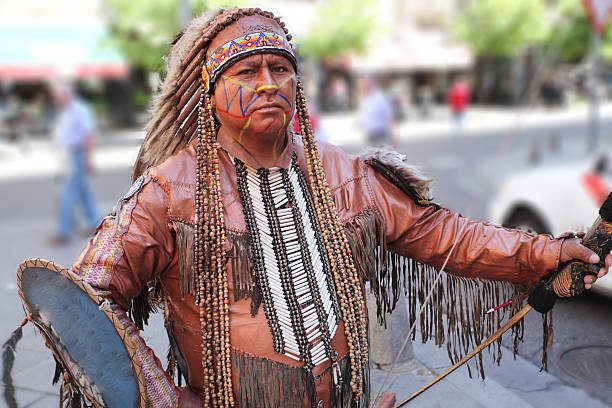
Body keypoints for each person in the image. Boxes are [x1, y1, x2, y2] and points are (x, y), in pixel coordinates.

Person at [34, 8, 609, 408]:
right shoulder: (167, 190)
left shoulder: (342, 172)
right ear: (208, 92)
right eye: (246, 71)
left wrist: (548, 253)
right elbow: (81, 297)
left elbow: (443, 234)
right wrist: (163, 398)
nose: (268, 84)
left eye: (280, 69)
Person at [49, 85, 100, 245]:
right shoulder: (67, 111)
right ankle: (95, 224)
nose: (57, 100)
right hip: (71, 155)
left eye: (59, 96)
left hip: (79, 154)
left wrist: (89, 159)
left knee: (67, 193)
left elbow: (89, 134)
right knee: (83, 191)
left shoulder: (80, 110)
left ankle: (63, 232)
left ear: (67, 94)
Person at [359, 76, 394, 146]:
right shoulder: (365, 99)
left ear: (372, 84)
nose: (365, 86)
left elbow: (388, 115)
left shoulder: (379, 97)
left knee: (380, 155)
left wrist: (394, 135)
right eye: (364, 84)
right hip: (369, 134)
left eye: (367, 84)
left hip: (380, 133)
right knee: (371, 156)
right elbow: (365, 115)